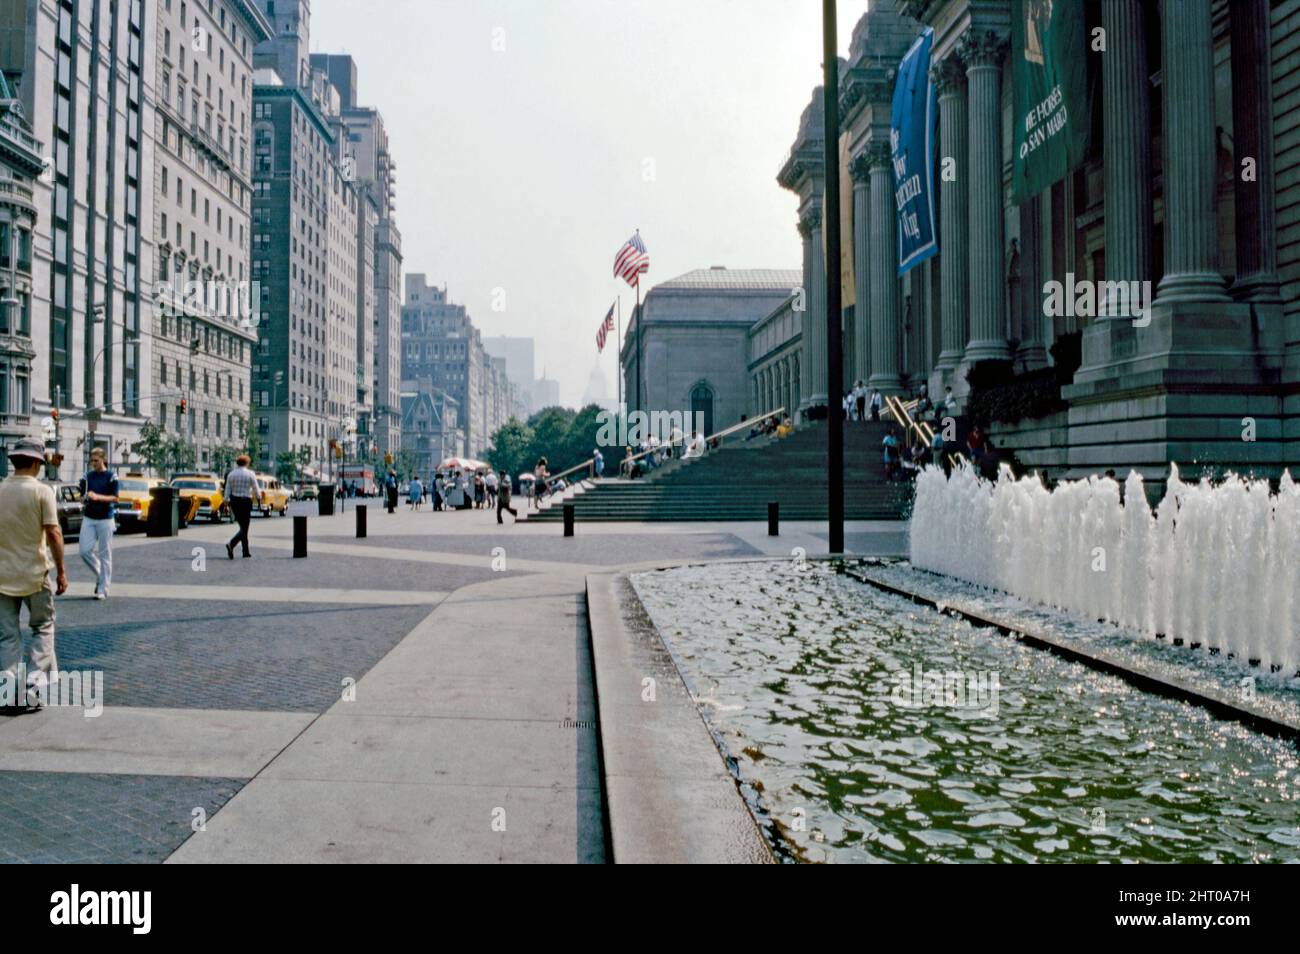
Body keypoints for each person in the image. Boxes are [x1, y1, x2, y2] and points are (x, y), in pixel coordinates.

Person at [0, 438, 68, 714]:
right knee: (42, 627)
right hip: (36, 575)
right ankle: (32, 686)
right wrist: (62, 571)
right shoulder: (43, 492)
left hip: (2, 576)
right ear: (37, 463)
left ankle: (6, 691)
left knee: (6, 636)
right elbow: (53, 533)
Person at [77, 447, 118, 600]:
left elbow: (115, 498)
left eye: (96, 460)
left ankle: (103, 588)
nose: (93, 464)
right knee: (84, 550)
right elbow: (81, 495)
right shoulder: (87, 476)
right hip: (89, 516)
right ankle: (101, 574)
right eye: (92, 461)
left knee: (105, 553)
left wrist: (97, 497)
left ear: (103, 459)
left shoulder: (111, 476)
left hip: (106, 518)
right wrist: (84, 498)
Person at [224, 454, 265, 559]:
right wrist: (260, 501)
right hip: (246, 502)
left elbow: (227, 491)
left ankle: (245, 551)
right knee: (245, 527)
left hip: (235, 502)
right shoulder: (250, 474)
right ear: (247, 463)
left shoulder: (231, 474)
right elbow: (256, 489)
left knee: (243, 527)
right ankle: (231, 544)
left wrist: (226, 504)